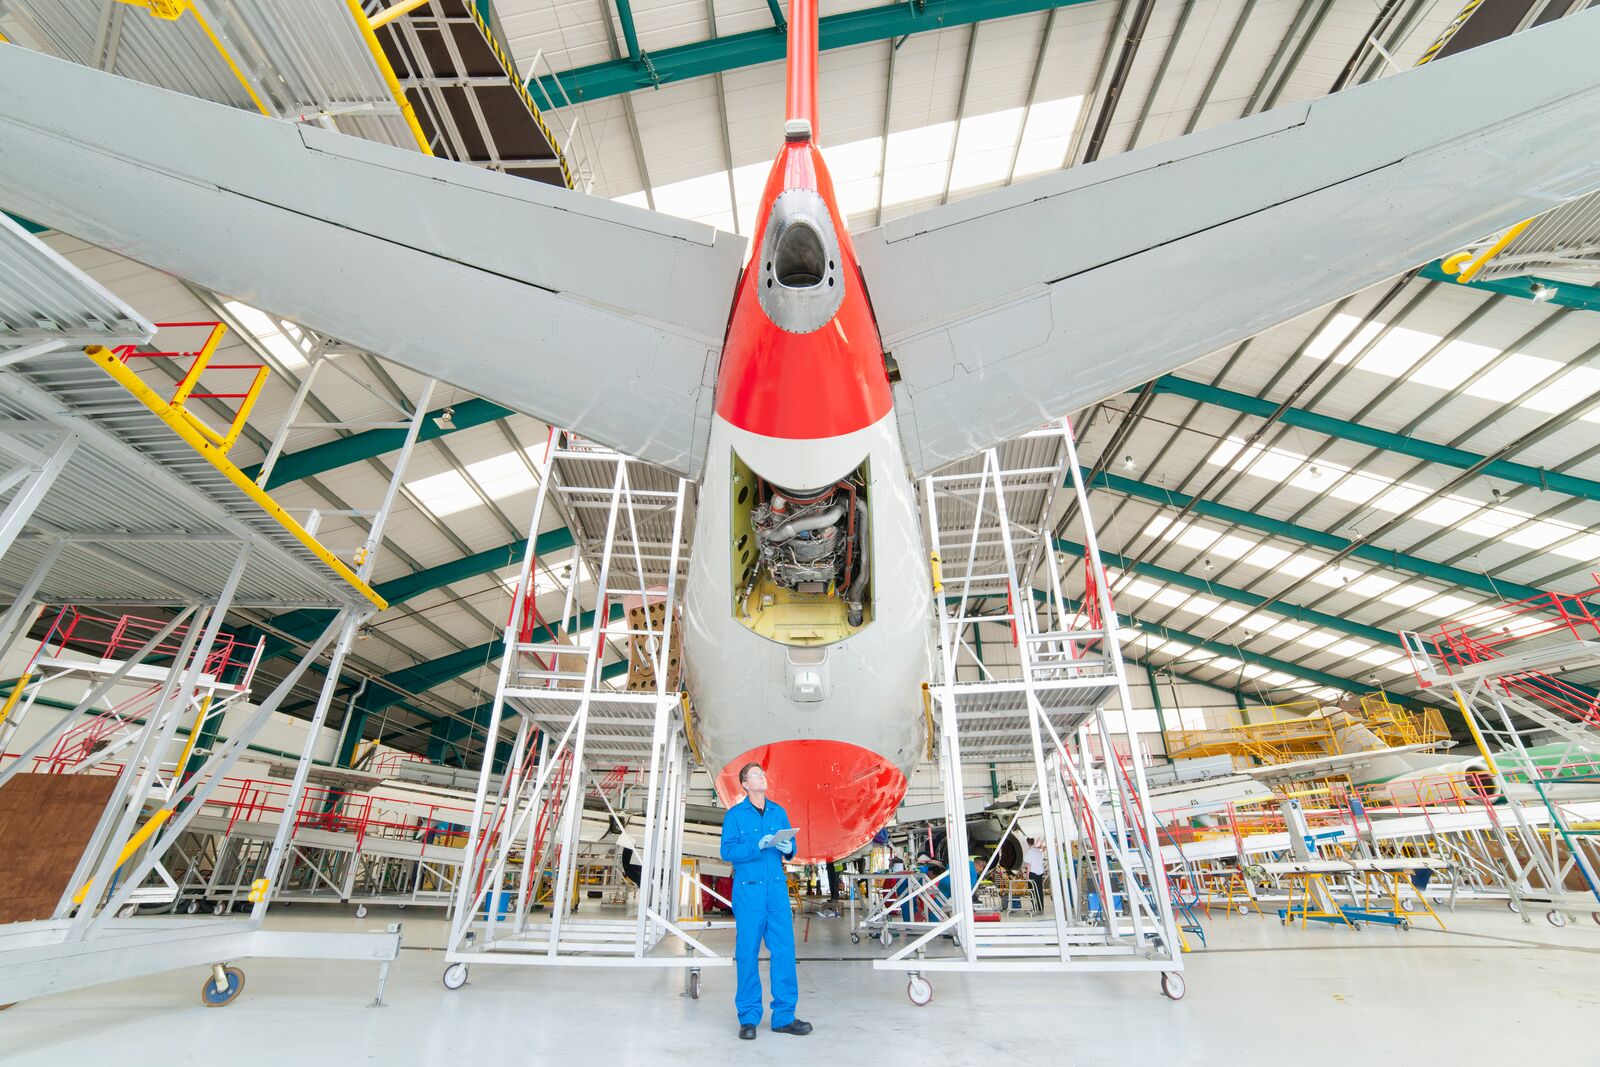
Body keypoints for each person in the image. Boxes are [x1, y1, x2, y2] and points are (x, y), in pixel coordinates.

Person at [719, 762, 812, 1040]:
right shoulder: (735, 816)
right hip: (749, 892)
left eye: (763, 773)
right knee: (747, 953)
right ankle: (748, 1017)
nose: (763, 777)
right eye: (757, 774)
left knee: (784, 952)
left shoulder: (778, 812)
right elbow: (727, 850)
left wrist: (789, 848)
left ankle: (784, 1016)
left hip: (776, 891)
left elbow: (791, 849)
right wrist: (756, 845)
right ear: (745, 784)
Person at [1024, 837, 1046, 912]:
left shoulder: (1029, 852)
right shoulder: (1038, 851)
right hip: (1040, 873)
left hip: (1032, 873)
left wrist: (1027, 876)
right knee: (1039, 890)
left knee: (1033, 891)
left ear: (1028, 843)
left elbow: (1028, 865)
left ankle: (1035, 907)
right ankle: (1041, 907)